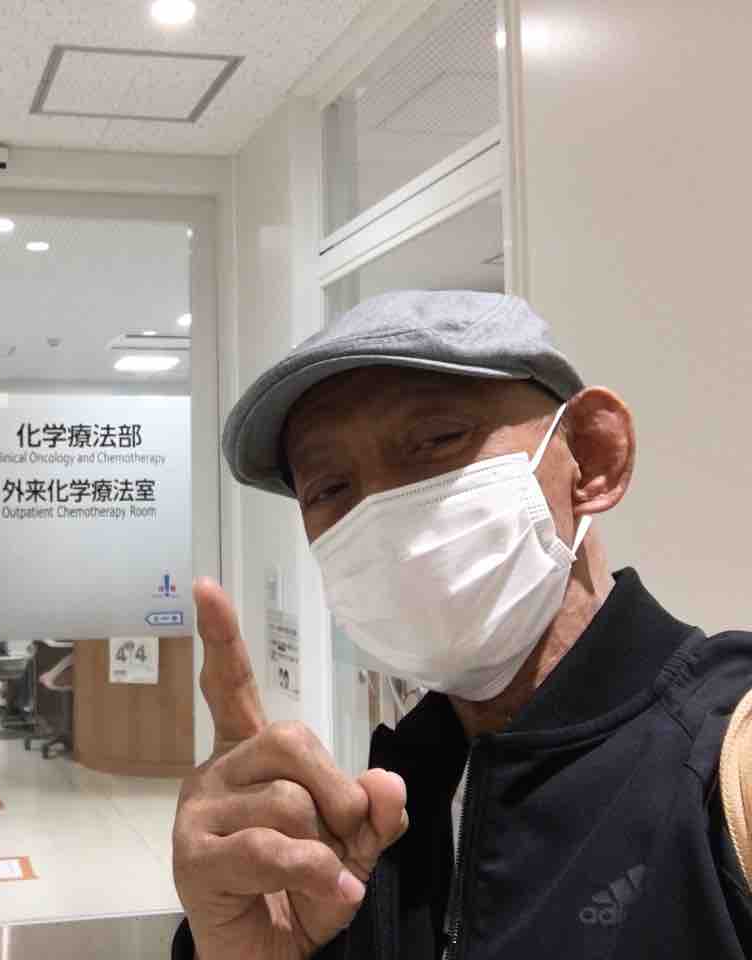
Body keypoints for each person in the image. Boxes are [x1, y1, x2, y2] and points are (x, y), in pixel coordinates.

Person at [171, 290, 752, 959]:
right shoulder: (382, 810)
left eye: (439, 441)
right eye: (328, 488)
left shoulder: (723, 765)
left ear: (592, 457)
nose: (384, 515)